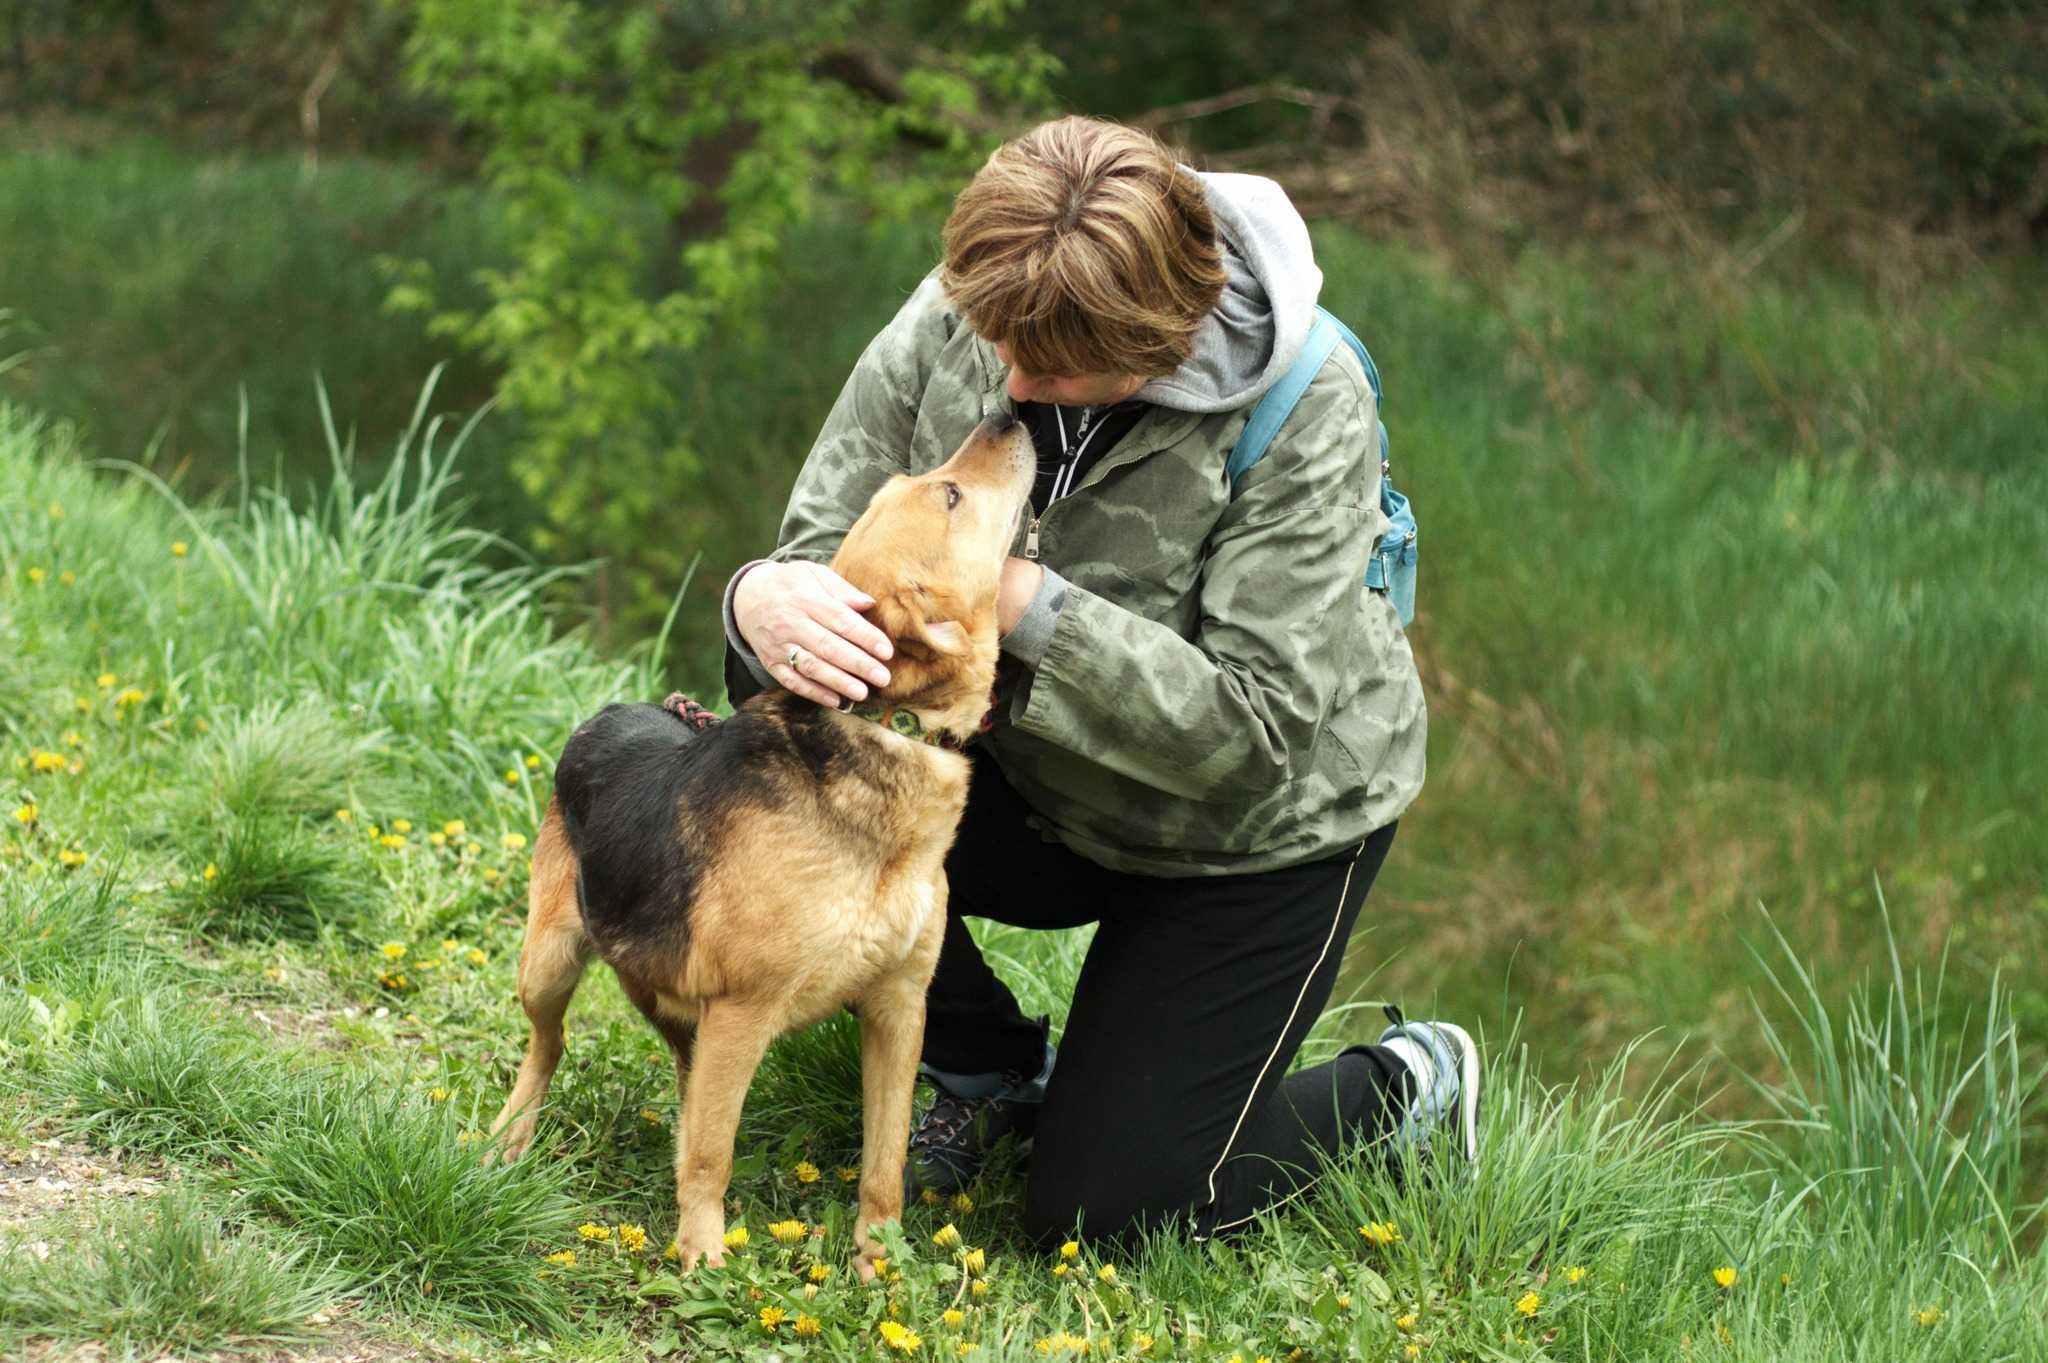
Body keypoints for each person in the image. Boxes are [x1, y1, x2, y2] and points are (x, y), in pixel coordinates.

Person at [721, 115, 1474, 1245]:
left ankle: (1406, 1086)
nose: (1012, 379)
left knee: (1111, 1211)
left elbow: (1254, 732)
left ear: (1161, 335)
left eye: (1054, 367)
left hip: (1245, 835)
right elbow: (824, 542)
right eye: (996, 341)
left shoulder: (1306, 405)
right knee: (771, 696)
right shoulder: (992, 301)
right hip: (1027, 780)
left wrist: (1022, 606)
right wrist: (759, 597)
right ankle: (981, 1062)